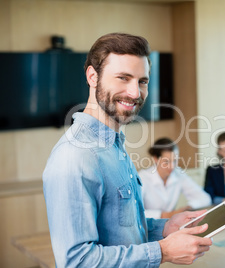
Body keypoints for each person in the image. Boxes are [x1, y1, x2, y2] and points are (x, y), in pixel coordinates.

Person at [42, 33, 212, 267]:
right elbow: (77, 261)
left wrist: (165, 227)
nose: (135, 93)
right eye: (123, 78)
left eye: (142, 81)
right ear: (92, 76)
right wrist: (162, 252)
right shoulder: (75, 157)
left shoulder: (114, 145)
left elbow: (121, 231)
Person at [140, 137, 212, 219]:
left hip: (170, 224)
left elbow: (205, 198)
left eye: (175, 161)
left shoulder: (178, 173)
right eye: (166, 162)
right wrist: (166, 215)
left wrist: (189, 208)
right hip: (148, 227)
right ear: (156, 159)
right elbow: (135, 212)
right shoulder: (143, 178)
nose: (172, 166)